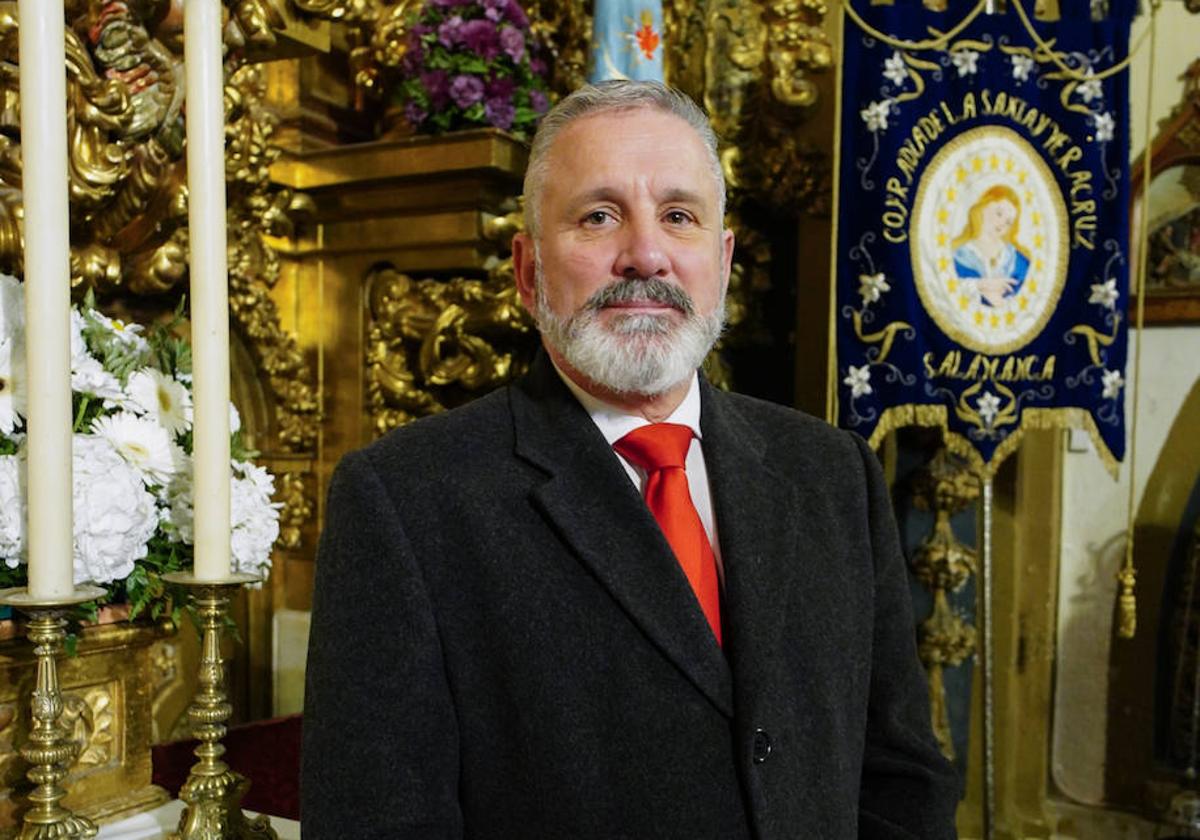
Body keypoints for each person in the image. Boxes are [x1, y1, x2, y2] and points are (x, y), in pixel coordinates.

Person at [302, 80, 959, 839]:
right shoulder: (407, 502)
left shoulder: (832, 472)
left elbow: (901, 779)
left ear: (720, 260)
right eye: (598, 216)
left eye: (678, 216)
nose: (645, 254)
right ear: (526, 270)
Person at [952, 184, 1031, 308]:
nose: (1002, 224)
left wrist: (1002, 303)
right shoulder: (958, 254)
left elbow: (1028, 298)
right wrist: (979, 285)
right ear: (982, 207)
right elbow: (946, 289)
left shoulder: (1017, 261)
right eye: (999, 213)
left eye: (1008, 222)